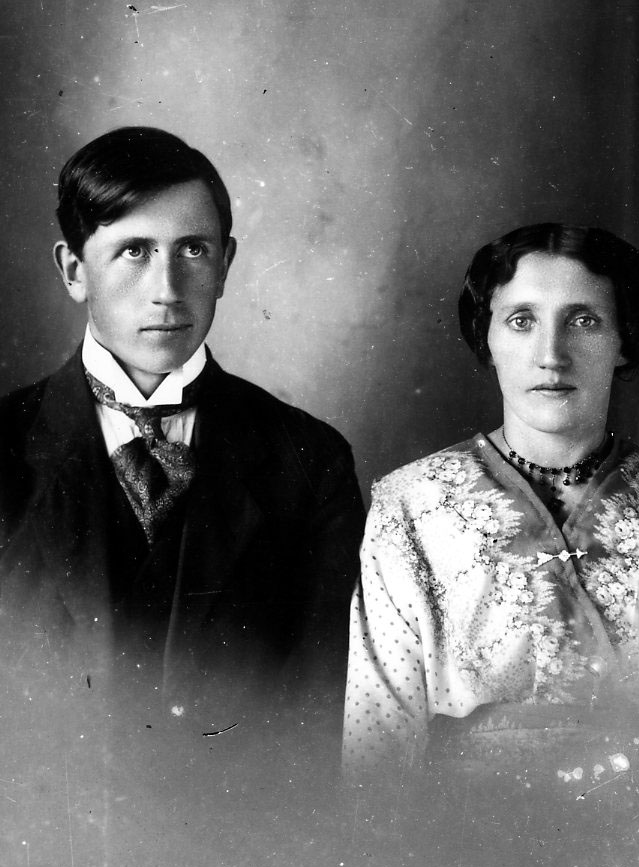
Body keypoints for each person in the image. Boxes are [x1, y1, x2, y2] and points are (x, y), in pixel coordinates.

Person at [0, 125, 365, 733]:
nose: (167, 291)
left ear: (225, 265)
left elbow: (314, 718)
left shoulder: (310, 459)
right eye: (134, 251)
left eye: (193, 250)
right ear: (74, 270)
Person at [344, 223, 639, 771]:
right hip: (464, 823)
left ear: (623, 340)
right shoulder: (410, 506)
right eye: (522, 321)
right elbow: (377, 743)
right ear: (488, 340)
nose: (551, 355)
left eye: (584, 321)